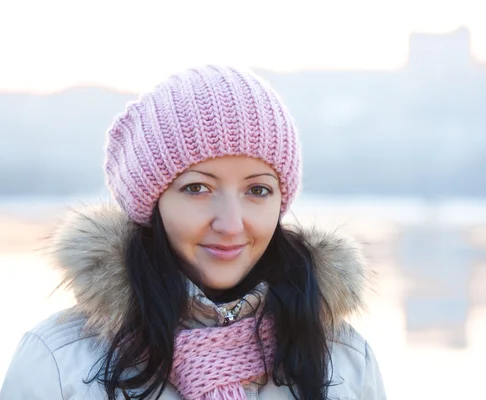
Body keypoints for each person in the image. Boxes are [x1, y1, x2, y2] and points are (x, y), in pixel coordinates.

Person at [0, 65, 385, 399]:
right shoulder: (58, 360)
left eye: (258, 190)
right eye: (197, 188)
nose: (231, 224)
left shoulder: (344, 360)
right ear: (152, 203)